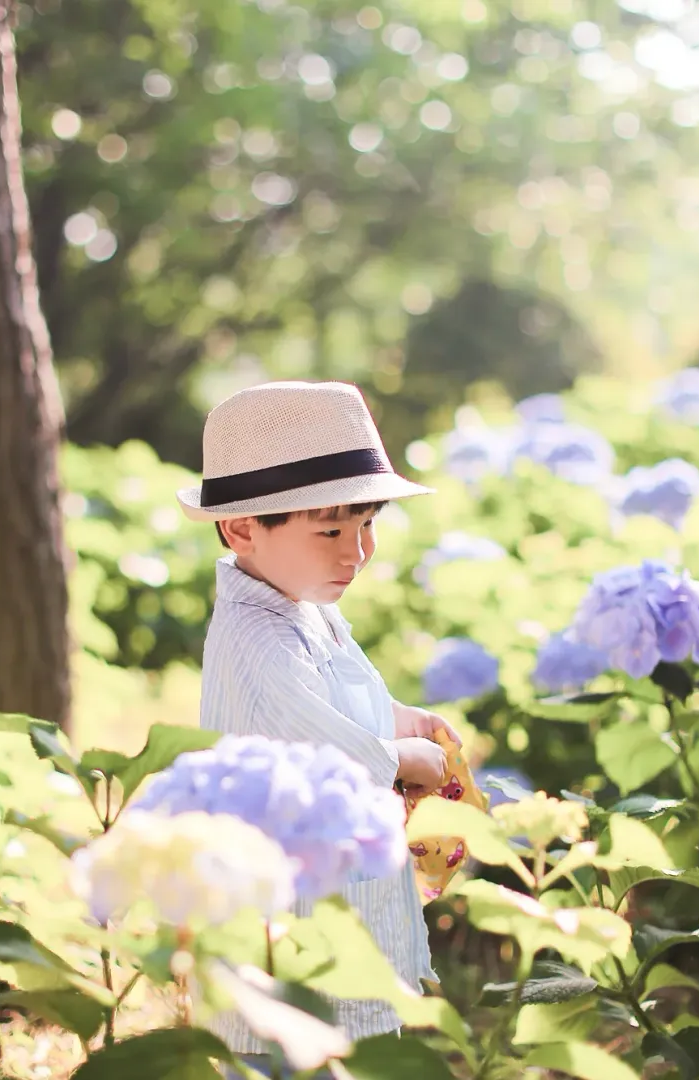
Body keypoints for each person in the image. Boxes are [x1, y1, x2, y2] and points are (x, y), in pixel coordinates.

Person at [176, 380, 461, 1078]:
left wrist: (404, 720)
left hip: (333, 892)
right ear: (242, 528)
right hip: (287, 919)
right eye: (330, 530)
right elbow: (326, 751)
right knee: (298, 1042)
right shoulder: (255, 637)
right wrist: (405, 755)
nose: (355, 552)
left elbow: (343, 693)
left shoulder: (302, 606)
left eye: (367, 525)